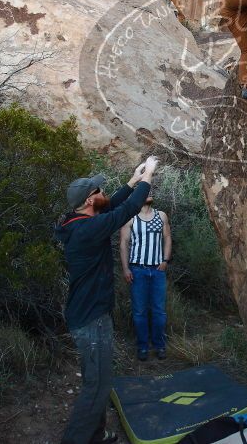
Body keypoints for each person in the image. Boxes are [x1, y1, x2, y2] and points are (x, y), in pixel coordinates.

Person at [55, 156, 159, 444]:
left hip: (90, 315)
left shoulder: (81, 220)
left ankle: (96, 435)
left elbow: (112, 205)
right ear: (89, 201)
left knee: (99, 382)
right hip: (91, 320)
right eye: (98, 191)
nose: (103, 193)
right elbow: (125, 210)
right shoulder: (87, 230)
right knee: (96, 387)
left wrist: (133, 180)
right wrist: (149, 175)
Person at [119, 188, 172, 361]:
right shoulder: (130, 217)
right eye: (146, 191)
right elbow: (124, 243)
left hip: (158, 271)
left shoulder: (161, 215)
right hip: (138, 270)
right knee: (140, 311)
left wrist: (165, 260)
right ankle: (142, 347)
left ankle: (159, 346)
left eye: (151, 190)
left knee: (159, 311)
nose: (150, 192)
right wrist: (126, 268)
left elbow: (168, 238)